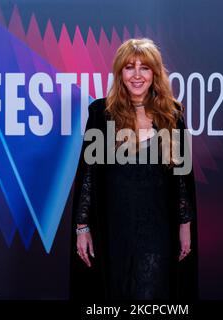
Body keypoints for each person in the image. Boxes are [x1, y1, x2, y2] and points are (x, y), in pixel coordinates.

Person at [69, 38, 198, 300]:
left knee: (154, 294)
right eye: (129, 67)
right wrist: (82, 227)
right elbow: (89, 175)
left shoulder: (171, 115)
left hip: (158, 226)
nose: (137, 75)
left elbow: (181, 177)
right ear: (120, 73)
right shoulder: (101, 113)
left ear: (155, 73)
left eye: (145, 68)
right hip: (112, 225)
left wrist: (185, 226)